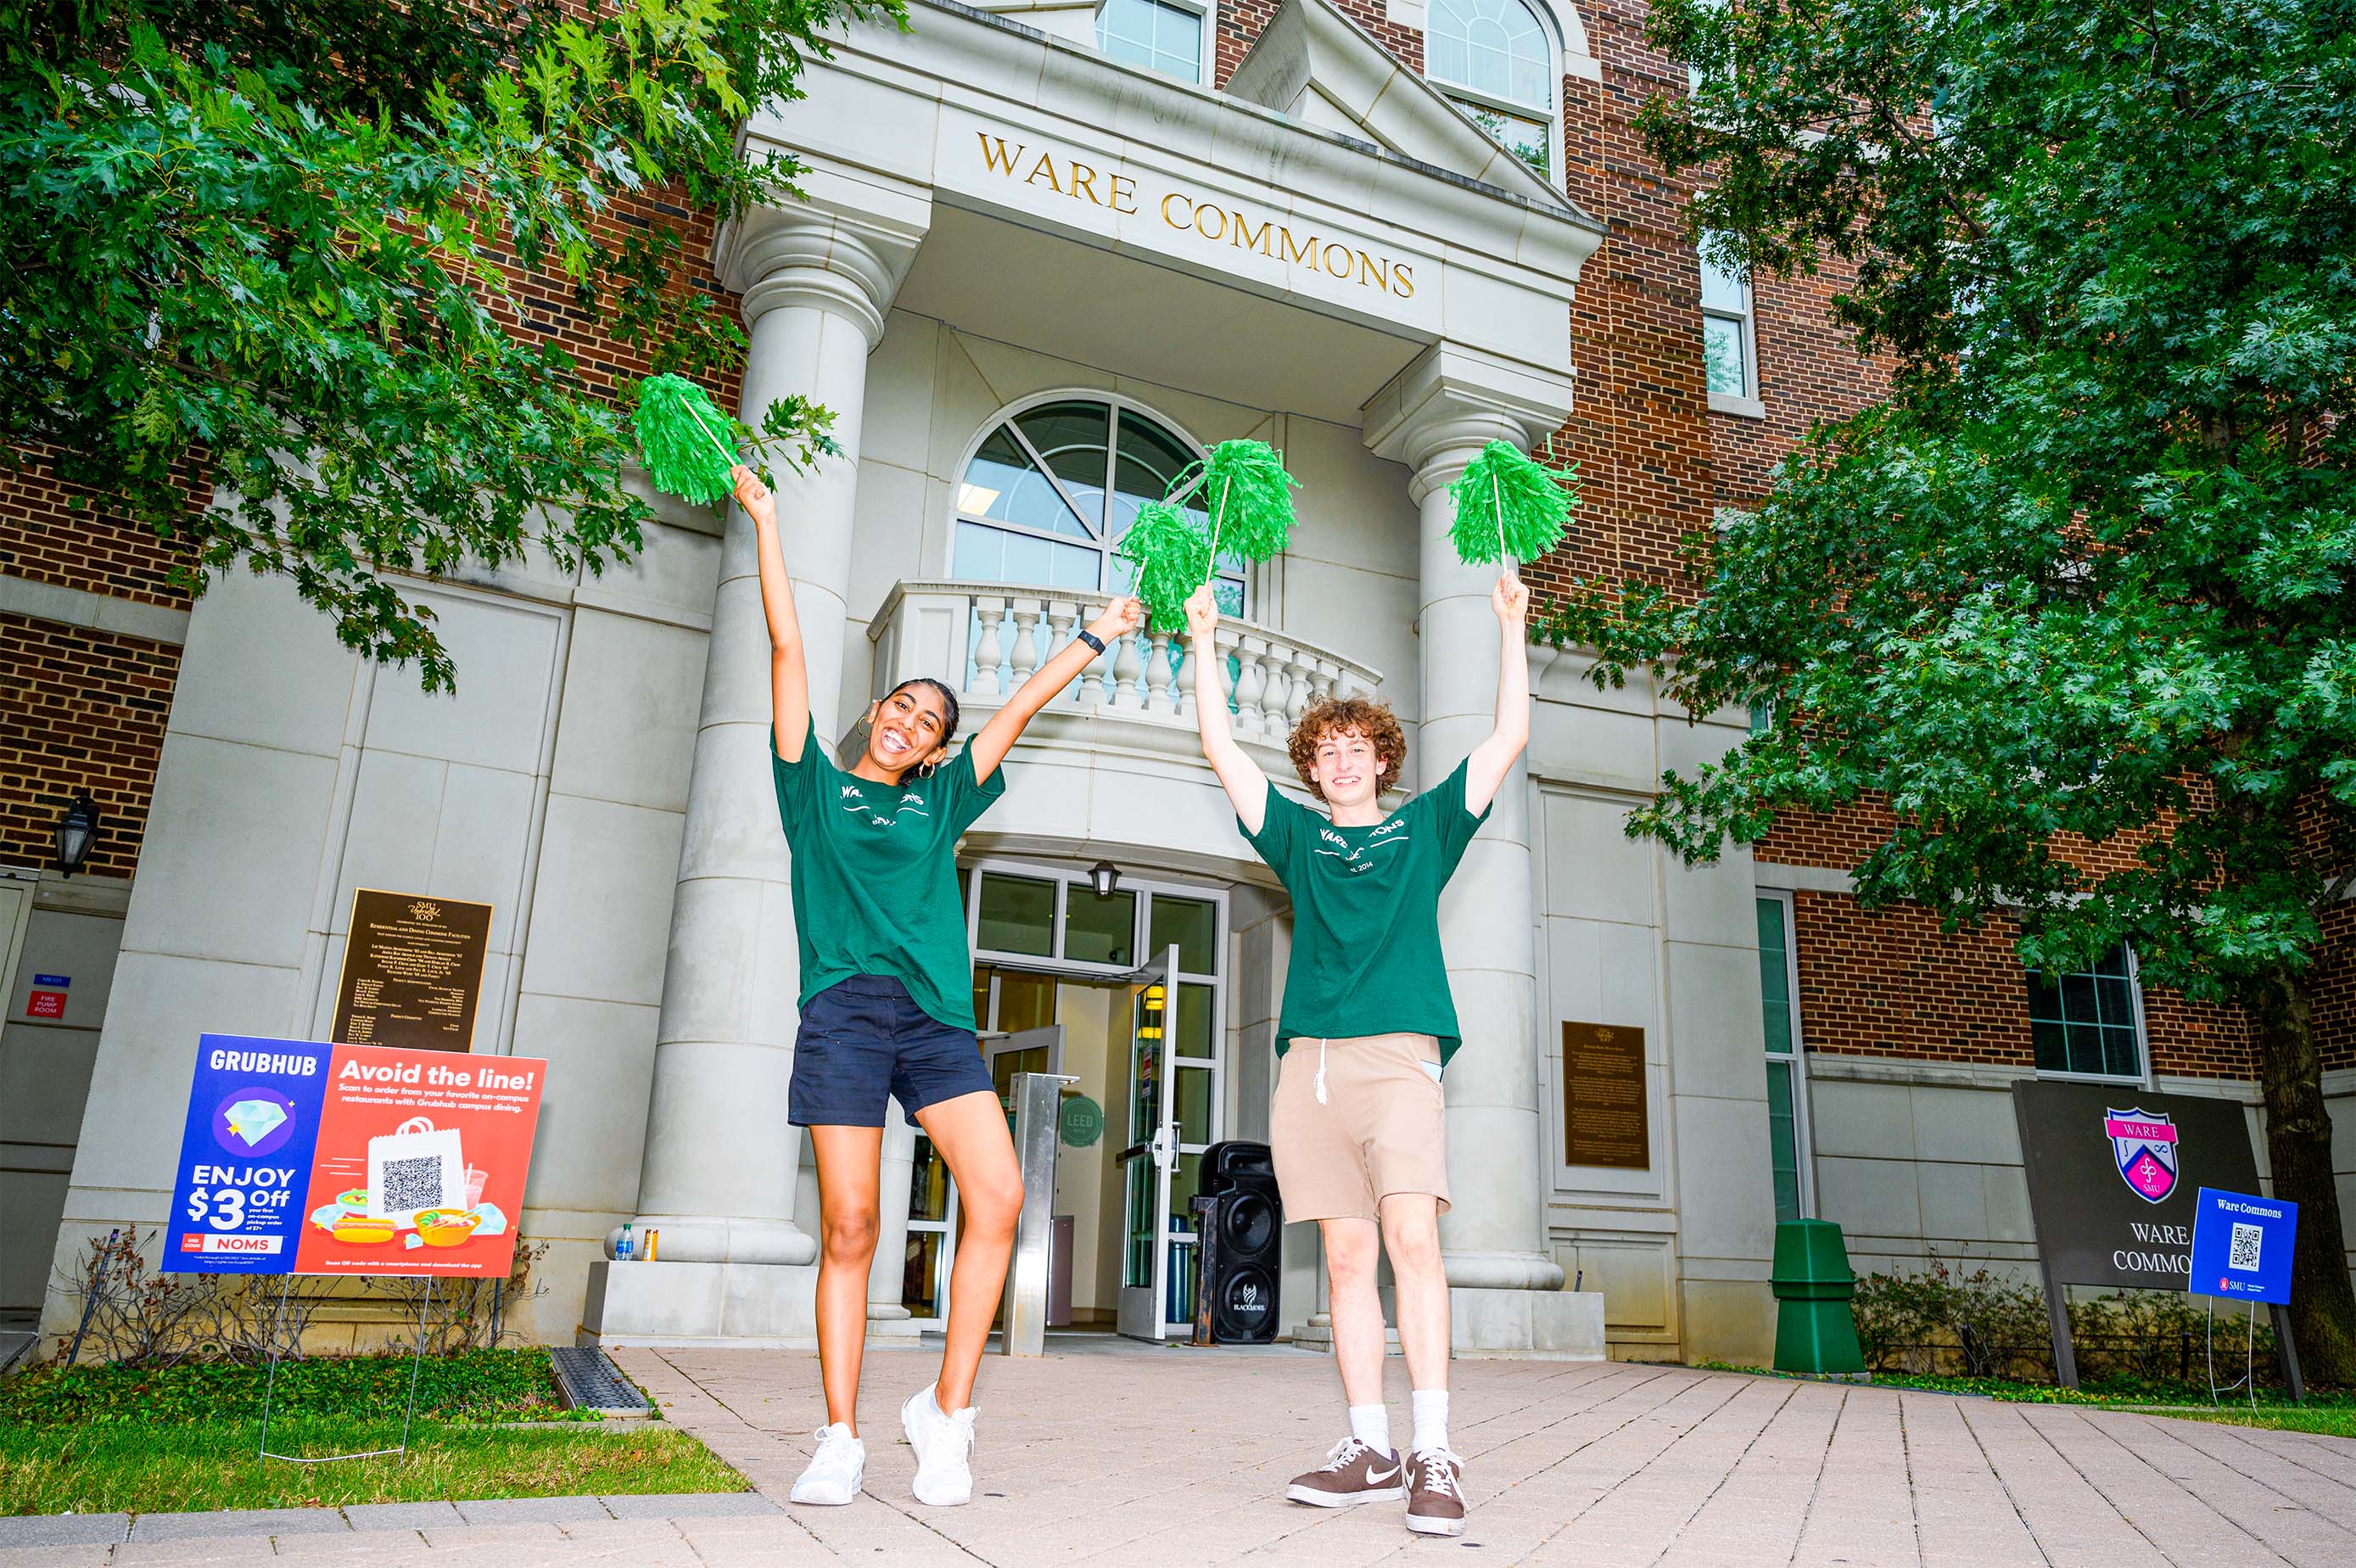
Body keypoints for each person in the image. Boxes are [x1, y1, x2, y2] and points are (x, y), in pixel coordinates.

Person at [732, 465, 1144, 1509]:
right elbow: (786, 648)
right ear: (876, 711)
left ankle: (946, 1415)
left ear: (935, 752)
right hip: (842, 1015)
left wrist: (1098, 635)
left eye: (928, 722)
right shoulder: (811, 789)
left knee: (1000, 1196)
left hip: (933, 1021)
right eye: (901, 706)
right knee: (852, 1228)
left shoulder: (939, 802)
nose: (909, 722)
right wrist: (769, 525)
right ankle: (837, 1436)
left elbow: (1019, 708)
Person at [1181, 571, 1531, 1538]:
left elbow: (1504, 742)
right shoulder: (1294, 837)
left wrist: (1511, 629)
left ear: (1382, 761)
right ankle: (1369, 1446)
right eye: (1325, 751)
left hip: (1397, 1057)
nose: (1341, 760)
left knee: (1412, 1242)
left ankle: (1433, 1449)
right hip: (1312, 1070)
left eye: (1356, 747)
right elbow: (1218, 748)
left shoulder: (1425, 829)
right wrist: (1204, 641)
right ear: (1313, 768)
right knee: (1343, 1258)